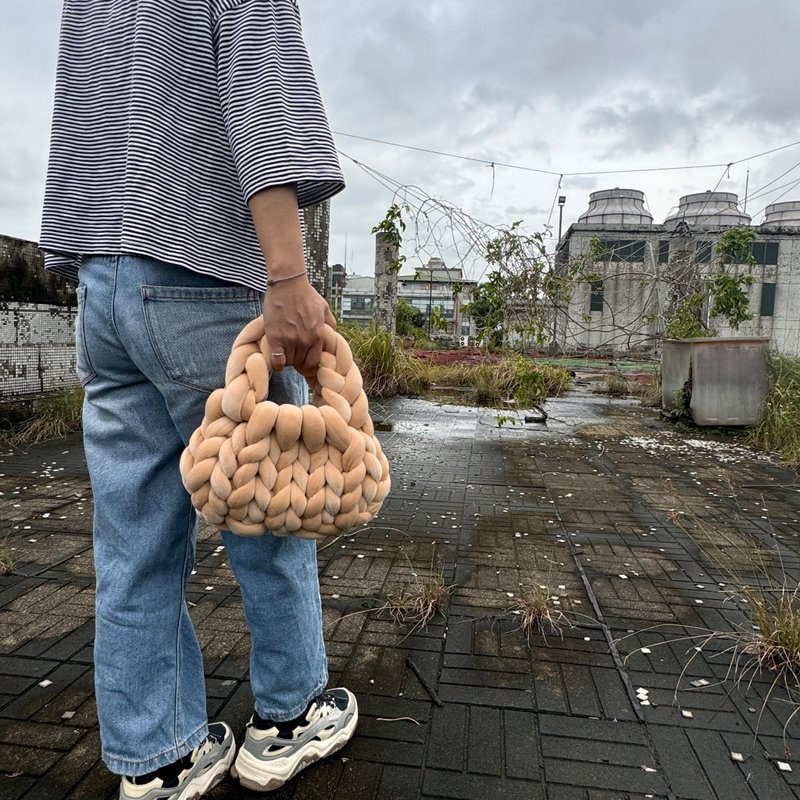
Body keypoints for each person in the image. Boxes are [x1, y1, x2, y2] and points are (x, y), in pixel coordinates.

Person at [40, 1, 357, 796]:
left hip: (101, 281)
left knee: (132, 540)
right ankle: (287, 721)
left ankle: (158, 758)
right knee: (273, 509)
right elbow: (262, 92)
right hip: (199, 274)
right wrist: (287, 276)